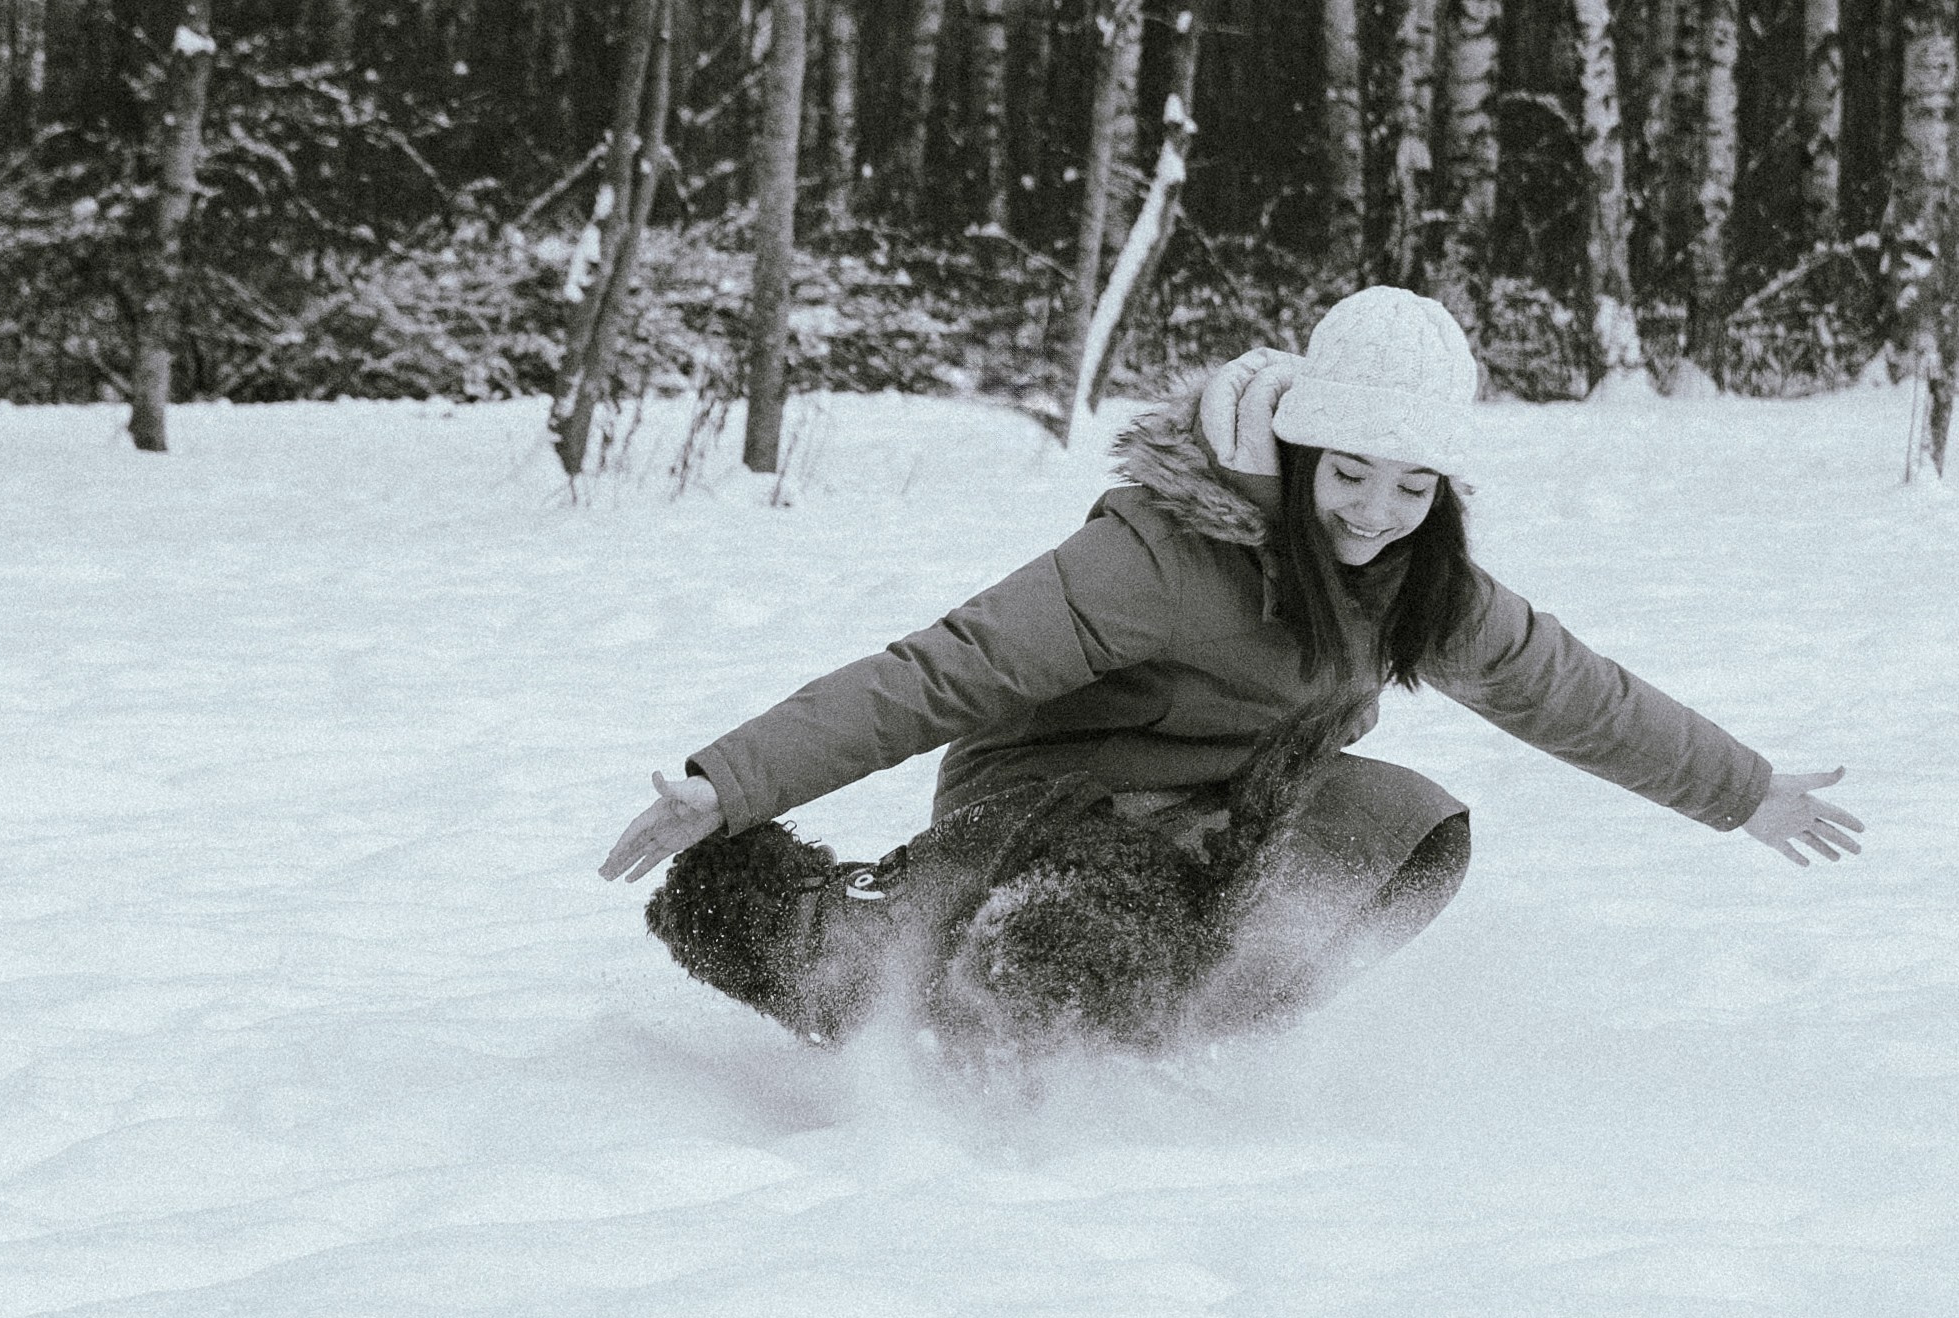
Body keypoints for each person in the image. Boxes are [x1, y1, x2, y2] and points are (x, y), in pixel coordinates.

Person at [600, 286, 1863, 1043]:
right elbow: (947, 668)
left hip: (1218, 825)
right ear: (1300, 447)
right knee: (1073, 917)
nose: (1374, 511)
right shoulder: (1162, 549)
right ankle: (872, 940)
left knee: (1413, 824)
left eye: (1412, 484)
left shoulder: (1423, 584)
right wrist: (735, 777)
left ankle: (1170, 1027)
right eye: (1350, 475)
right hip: (1050, 805)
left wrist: (1739, 789)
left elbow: (1569, 688)